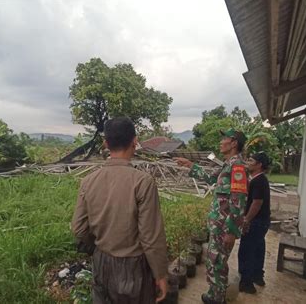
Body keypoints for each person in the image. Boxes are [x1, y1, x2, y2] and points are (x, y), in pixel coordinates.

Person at [71, 117, 168, 304]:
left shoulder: (88, 181)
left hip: (101, 262)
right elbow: (150, 237)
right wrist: (160, 274)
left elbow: (78, 228)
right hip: (133, 269)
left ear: (106, 143)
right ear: (135, 141)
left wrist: (97, 247)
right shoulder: (142, 182)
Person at [175, 128, 248, 304]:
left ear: (233, 143)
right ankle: (214, 294)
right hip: (218, 225)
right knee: (215, 261)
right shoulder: (227, 165)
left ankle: (217, 299)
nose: (220, 142)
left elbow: (238, 202)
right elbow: (209, 178)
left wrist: (232, 231)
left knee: (218, 263)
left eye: (224, 139)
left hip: (225, 228)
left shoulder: (237, 167)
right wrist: (190, 165)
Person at [238, 152, 271, 294]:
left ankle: (246, 283)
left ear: (259, 165)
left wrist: (246, 220)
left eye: (251, 160)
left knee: (247, 251)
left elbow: (257, 203)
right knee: (258, 249)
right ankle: (258, 276)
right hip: (262, 221)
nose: (248, 162)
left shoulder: (258, 181)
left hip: (256, 222)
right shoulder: (259, 179)